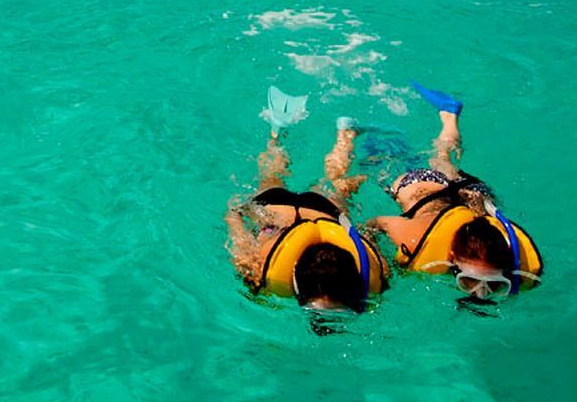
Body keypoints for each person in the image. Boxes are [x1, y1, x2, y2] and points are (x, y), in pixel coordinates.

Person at [367, 83, 542, 301]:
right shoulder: (414, 238)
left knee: (442, 159)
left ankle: (449, 116)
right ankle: (438, 119)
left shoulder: (511, 260)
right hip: (424, 188)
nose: (481, 294)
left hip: (473, 191)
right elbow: (375, 223)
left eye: (496, 284)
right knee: (377, 161)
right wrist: (381, 261)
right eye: (468, 280)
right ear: (452, 257)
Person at [226, 89, 389, 315]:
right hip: (276, 210)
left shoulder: (375, 272)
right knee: (272, 177)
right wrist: (235, 213)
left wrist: (234, 214)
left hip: (318, 211)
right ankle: (278, 131)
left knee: (337, 183)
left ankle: (345, 134)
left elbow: (366, 238)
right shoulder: (257, 272)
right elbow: (237, 233)